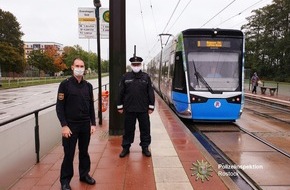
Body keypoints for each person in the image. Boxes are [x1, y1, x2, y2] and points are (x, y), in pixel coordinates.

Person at [56, 58, 96, 190]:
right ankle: (65, 181)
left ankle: (84, 175)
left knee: (84, 152)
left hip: (85, 124)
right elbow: (59, 107)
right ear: (72, 67)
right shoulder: (65, 85)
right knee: (69, 154)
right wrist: (64, 125)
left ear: (85, 68)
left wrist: (93, 123)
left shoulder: (88, 86)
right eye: (77, 66)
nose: (80, 68)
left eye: (82, 66)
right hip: (70, 126)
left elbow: (91, 106)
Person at [117, 55, 155, 158]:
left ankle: (145, 147)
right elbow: (120, 92)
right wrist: (119, 106)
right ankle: (126, 147)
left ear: (141, 65)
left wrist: (151, 106)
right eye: (134, 64)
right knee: (128, 129)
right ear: (131, 65)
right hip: (129, 109)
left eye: (138, 64)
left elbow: (150, 92)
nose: (136, 66)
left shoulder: (146, 77)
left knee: (145, 129)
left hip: (143, 109)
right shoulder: (125, 77)